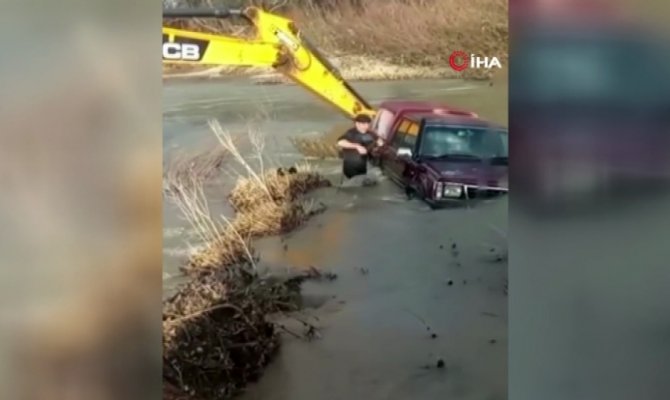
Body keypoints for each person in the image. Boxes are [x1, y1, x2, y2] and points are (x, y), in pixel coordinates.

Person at [337, 114, 383, 179]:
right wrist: (356, 146)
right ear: (357, 124)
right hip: (351, 167)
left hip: (364, 166)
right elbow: (340, 142)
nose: (366, 126)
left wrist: (379, 142)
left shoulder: (370, 133)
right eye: (363, 124)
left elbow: (378, 140)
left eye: (368, 124)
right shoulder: (351, 133)